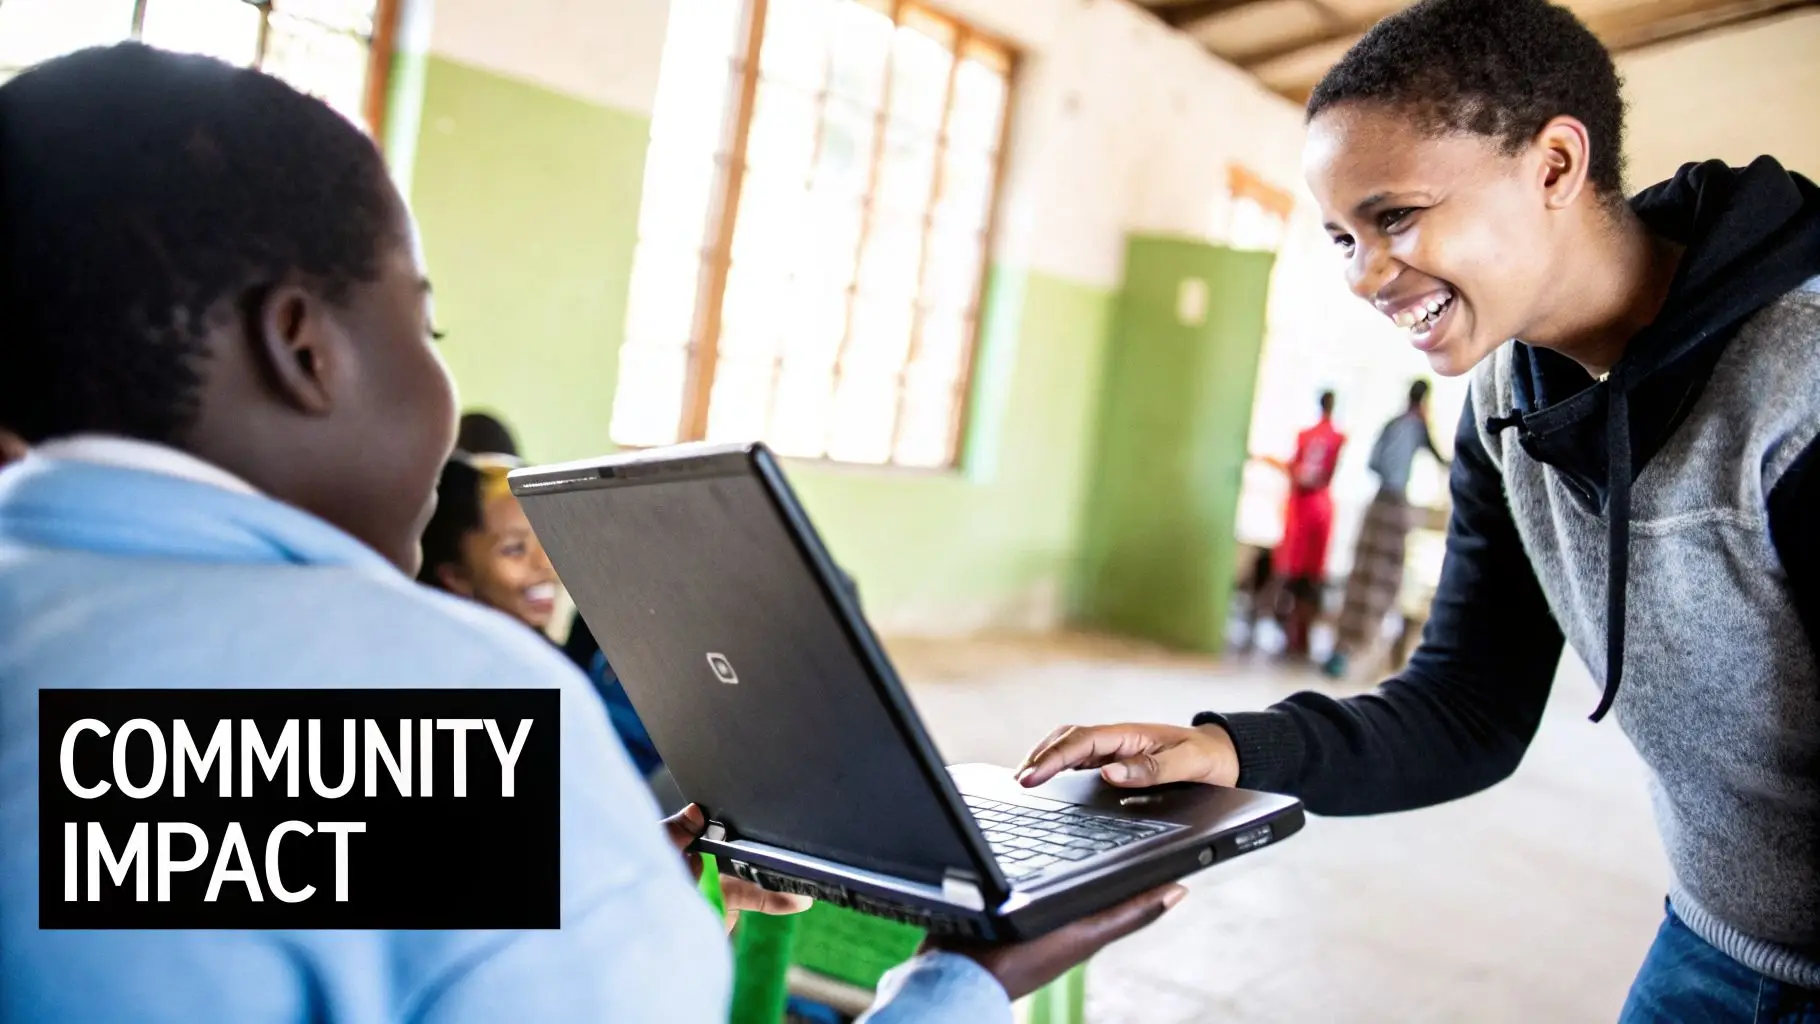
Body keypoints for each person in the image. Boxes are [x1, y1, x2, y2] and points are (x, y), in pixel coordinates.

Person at [0, 44, 1183, 1022]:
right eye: (426, 330)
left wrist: (589, 879)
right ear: (304, 347)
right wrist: (962, 986)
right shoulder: (444, 703)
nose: (439, 388)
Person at [1015, 0, 1820, 1019]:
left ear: (1554, 166)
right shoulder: (1503, 406)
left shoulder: (1796, 387)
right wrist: (1230, 751)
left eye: (1394, 217)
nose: (1364, 276)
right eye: (1341, 237)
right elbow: (1466, 710)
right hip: (1714, 941)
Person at [1321, 380, 1448, 678]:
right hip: (1392, 510)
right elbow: (1442, 460)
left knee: (1362, 579)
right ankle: (1356, 651)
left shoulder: (1393, 424)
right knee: (1381, 583)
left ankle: (1344, 649)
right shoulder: (1417, 426)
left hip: (1376, 507)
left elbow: (1374, 463)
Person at [1250, 391, 1346, 657]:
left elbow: (1299, 470)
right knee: (1308, 579)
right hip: (1321, 509)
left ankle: (1288, 631)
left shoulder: (1307, 435)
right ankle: (1297, 636)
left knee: (1287, 573)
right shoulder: (1337, 437)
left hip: (1303, 509)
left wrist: (1269, 461)